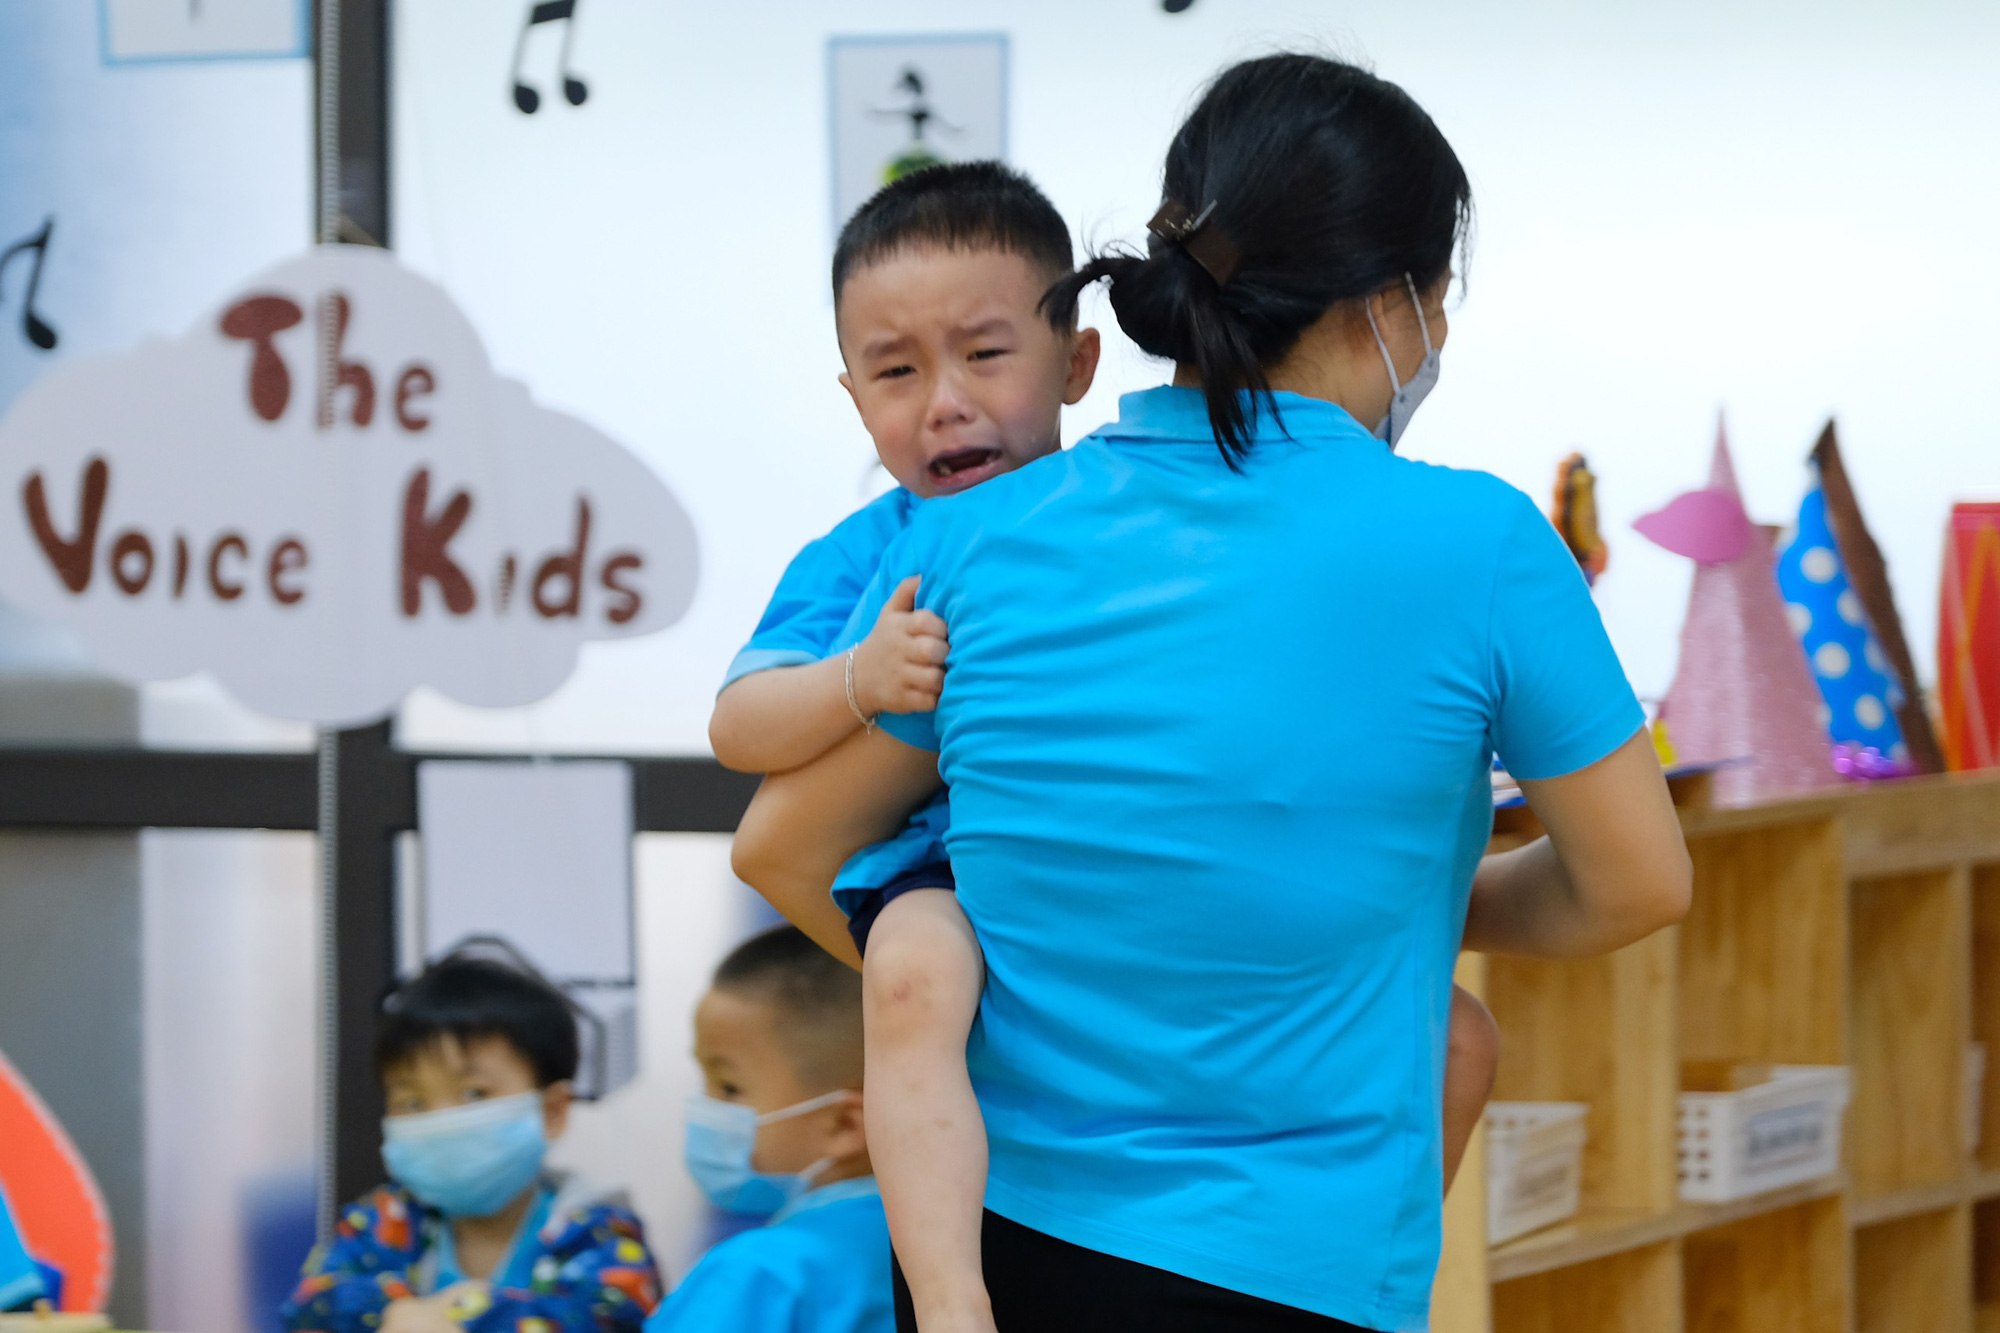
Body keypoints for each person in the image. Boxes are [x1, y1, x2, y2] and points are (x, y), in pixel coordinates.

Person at [732, 52, 1692, 1333]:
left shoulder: (983, 534)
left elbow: (783, 845)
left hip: (996, 1256)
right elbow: (1636, 883)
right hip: (1298, 1262)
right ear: (1393, 301)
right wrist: (1398, 903)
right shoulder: (1483, 544)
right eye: (1441, 298)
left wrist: (1001, 969)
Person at [281, 954, 661, 1333]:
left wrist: (460, 1316)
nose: (440, 1120)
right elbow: (312, 1304)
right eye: (413, 1103)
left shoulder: (597, 1232)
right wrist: (393, 1315)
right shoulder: (382, 1223)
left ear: (553, 1111)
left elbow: (608, 1318)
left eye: (474, 1094)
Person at [647, 925, 892, 1333]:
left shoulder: (761, 1275)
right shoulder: (963, 1248)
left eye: (729, 1088)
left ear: (845, 1124)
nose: (704, 1109)